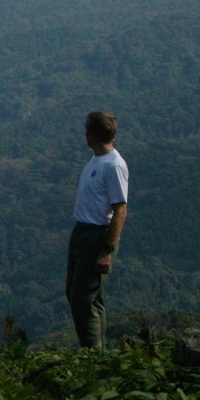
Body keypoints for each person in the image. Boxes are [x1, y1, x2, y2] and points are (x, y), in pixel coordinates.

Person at [66, 111, 129, 349]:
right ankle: (97, 351)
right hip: (82, 232)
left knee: (81, 300)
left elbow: (120, 210)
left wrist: (107, 250)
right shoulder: (97, 160)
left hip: (96, 236)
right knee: (85, 296)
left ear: (91, 133)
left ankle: (93, 356)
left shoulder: (114, 166)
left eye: (86, 128)